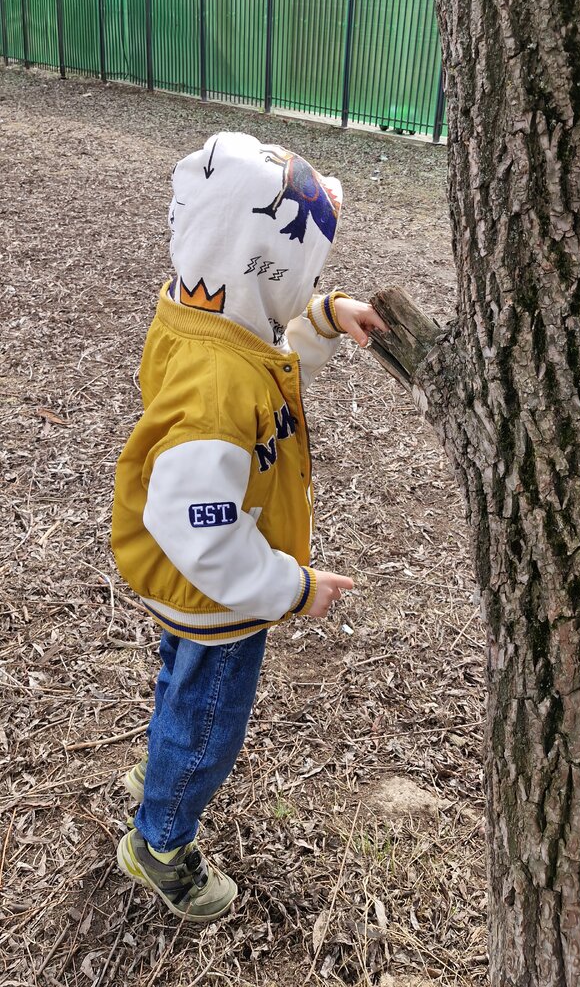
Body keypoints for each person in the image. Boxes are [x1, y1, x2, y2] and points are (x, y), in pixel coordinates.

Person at [111, 132, 386, 923]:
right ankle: (160, 842)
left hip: (198, 588)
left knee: (182, 681)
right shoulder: (218, 386)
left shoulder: (202, 309)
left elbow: (270, 335)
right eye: (309, 271)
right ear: (267, 264)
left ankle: (160, 771)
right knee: (210, 724)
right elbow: (195, 525)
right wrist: (288, 587)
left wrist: (327, 318)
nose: (313, 281)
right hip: (221, 591)